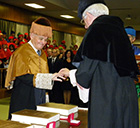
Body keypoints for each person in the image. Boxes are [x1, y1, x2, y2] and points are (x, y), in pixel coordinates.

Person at [59, 0, 139, 128]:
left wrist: (70, 74)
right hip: (127, 94)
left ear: (89, 16)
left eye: (83, 21)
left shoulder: (97, 28)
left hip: (108, 96)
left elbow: (85, 73)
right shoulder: (120, 31)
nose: (85, 26)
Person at [5, 17, 64, 119]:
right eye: (41, 38)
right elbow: (24, 77)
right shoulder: (21, 52)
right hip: (25, 96)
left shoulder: (42, 54)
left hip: (40, 94)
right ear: (32, 35)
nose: (43, 42)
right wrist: (50, 77)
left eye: (46, 40)